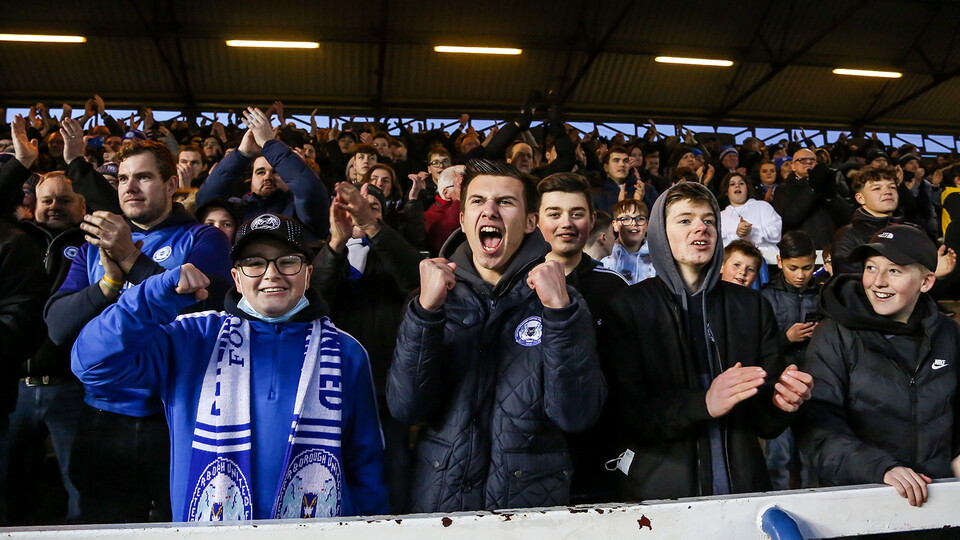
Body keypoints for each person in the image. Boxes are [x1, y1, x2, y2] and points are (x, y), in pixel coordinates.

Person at [71, 213, 389, 520]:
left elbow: (366, 463)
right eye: (254, 263)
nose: (272, 273)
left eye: (288, 261)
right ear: (236, 277)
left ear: (308, 274)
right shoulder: (192, 337)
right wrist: (151, 297)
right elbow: (93, 365)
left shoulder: (346, 351)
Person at [387, 159, 606, 512]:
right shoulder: (428, 299)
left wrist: (560, 314)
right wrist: (426, 314)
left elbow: (576, 415)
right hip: (442, 501)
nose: (489, 210)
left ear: (531, 221)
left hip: (531, 507)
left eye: (505, 202)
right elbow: (407, 408)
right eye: (477, 201)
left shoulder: (565, 301)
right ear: (462, 219)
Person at [44, 138, 233, 524]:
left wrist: (131, 257)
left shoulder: (202, 238)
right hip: (102, 415)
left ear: (170, 185)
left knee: (178, 523)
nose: (129, 187)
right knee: (102, 525)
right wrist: (108, 285)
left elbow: (206, 304)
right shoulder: (91, 249)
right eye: (123, 178)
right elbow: (58, 326)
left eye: (143, 177)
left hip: (174, 416)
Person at [607, 182, 813, 500]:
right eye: (685, 219)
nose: (700, 227)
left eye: (709, 220)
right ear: (661, 233)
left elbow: (766, 424)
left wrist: (783, 402)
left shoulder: (752, 306)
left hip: (744, 488)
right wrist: (704, 404)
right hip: (661, 494)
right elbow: (628, 415)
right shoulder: (629, 306)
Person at [797, 224, 960, 507]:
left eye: (894, 270)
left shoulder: (949, 333)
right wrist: (880, 469)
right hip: (862, 503)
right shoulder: (833, 334)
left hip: (940, 501)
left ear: (926, 282)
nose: (877, 282)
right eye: (871, 268)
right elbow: (818, 427)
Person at [312, 182, 422, 513]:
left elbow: (415, 280)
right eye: (354, 206)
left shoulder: (395, 253)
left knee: (391, 487)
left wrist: (373, 226)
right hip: (328, 394)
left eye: (371, 206)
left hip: (386, 395)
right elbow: (312, 301)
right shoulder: (324, 254)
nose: (360, 210)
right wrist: (335, 243)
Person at [536, 172, 627, 503]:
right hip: (530, 458)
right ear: (535, 219)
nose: (566, 223)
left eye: (576, 213)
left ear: (592, 220)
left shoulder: (614, 288)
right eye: (554, 213)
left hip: (596, 453)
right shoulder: (515, 287)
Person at [195, 107, 329, 240]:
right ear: (251, 178)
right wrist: (242, 153)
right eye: (260, 172)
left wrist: (269, 144)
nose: (267, 177)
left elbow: (309, 189)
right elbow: (206, 201)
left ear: (288, 175)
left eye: (276, 172)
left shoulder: (301, 210)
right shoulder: (237, 208)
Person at [760, 231, 821, 490]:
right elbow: (757, 346)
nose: (800, 274)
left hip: (815, 387)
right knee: (778, 458)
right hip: (779, 389)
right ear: (780, 261)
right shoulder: (766, 296)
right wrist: (786, 338)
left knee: (812, 459)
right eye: (793, 267)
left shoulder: (823, 295)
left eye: (807, 268)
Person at [719, 172, 781, 264]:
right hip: (736, 266)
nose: (737, 186)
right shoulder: (721, 216)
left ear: (747, 188)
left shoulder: (763, 206)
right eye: (732, 184)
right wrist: (738, 235)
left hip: (769, 262)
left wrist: (752, 231)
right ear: (726, 192)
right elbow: (721, 246)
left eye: (741, 183)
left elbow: (776, 234)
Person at [600, 199, 655, 284]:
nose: (634, 223)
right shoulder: (605, 257)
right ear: (615, 225)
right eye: (626, 219)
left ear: (647, 225)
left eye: (640, 218)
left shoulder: (657, 257)